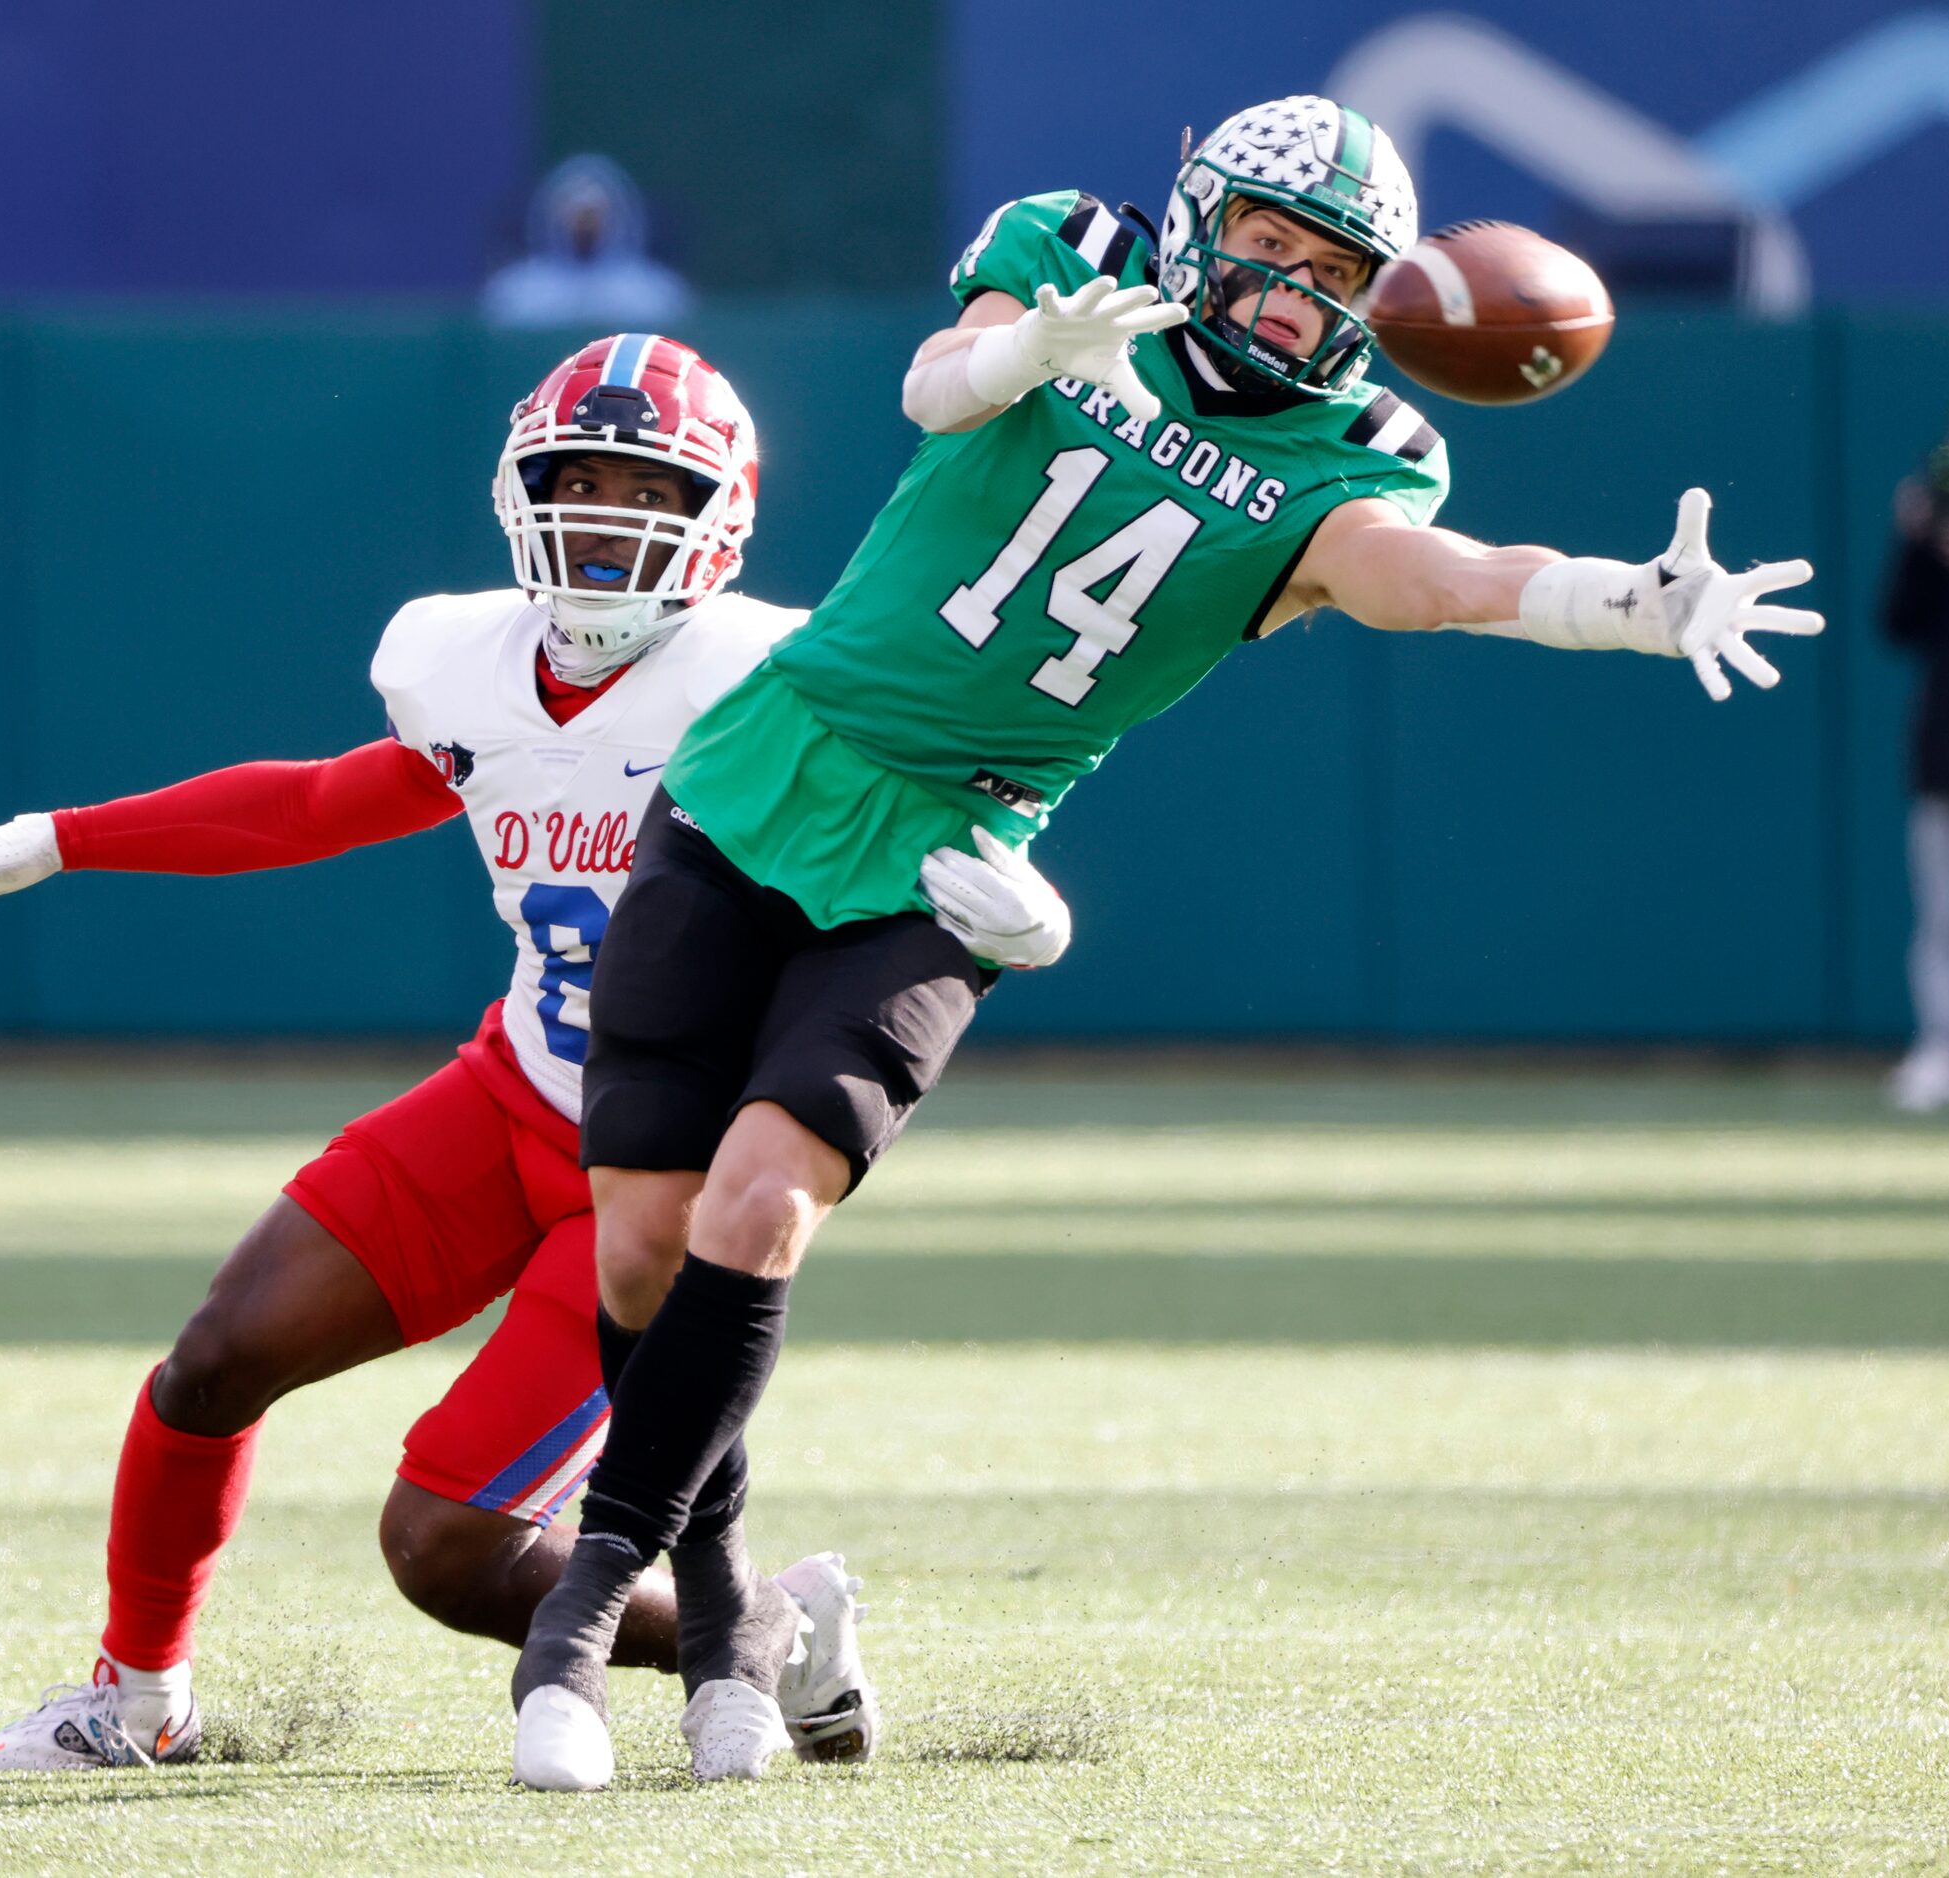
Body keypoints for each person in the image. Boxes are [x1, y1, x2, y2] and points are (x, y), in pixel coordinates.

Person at [509, 95, 1827, 1791]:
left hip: (951, 856)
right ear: (1200, 218)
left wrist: (1608, 601)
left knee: (756, 1210)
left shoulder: (1356, 444)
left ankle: (580, 1617)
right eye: (1267, 245)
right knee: (639, 1250)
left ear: (1375, 293)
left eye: (1330, 268)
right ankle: (723, 1617)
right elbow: (932, 385)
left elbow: (1415, 571)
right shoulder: (1080, 257)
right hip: (768, 763)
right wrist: (1023, 355)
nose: (1288, 289)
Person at [0, 333, 1069, 1777]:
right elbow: (325, 798)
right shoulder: (465, 658)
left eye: (646, 492)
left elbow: (943, 805)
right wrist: (57, 841)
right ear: (518, 487)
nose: (604, 521)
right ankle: (136, 1696)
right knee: (212, 1359)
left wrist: (1013, 895)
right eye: (579, 480)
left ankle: (753, 1630)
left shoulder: (777, 673)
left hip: (656, 1169)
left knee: (444, 1542)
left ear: (720, 519)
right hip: (510, 1093)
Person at [1884, 385, 1949, 1112]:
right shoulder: (1943, 502)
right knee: (1948, 914)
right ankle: (1943, 1047)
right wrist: (1918, 540)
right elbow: (1897, 622)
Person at [482, 155, 693, 331]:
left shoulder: (654, 296)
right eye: (575, 215)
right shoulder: (517, 295)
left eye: (593, 215)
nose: (584, 225)